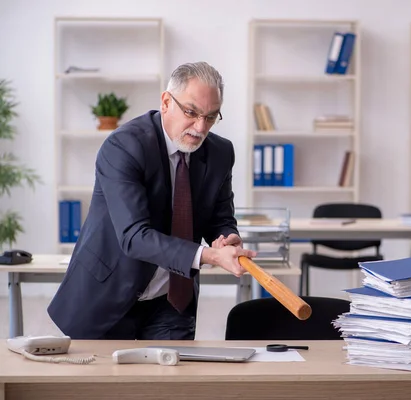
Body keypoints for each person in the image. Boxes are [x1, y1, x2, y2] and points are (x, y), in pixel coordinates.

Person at [47, 61, 256, 340]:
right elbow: (134, 236)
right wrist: (209, 256)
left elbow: (220, 216)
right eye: (192, 112)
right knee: (104, 383)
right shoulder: (124, 146)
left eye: (211, 116)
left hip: (171, 298)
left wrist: (227, 238)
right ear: (166, 101)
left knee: (170, 382)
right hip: (110, 292)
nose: (200, 126)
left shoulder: (220, 153)